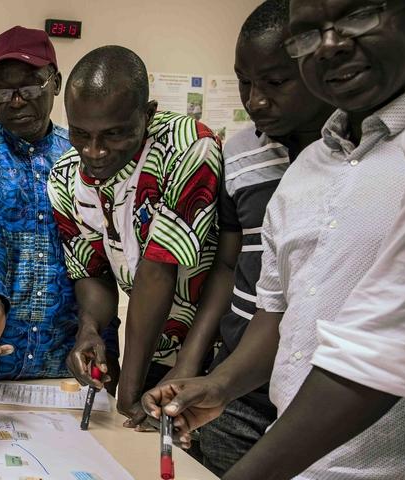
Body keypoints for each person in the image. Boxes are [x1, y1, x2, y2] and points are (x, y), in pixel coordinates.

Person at [165, 0, 405, 478]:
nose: (330, 46)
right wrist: (220, 385)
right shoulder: (305, 170)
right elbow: (288, 315)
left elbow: (383, 346)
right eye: (308, 34)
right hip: (295, 456)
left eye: (358, 15)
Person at [155, 0, 334, 473]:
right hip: (239, 384)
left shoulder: (353, 162)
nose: (255, 100)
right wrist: (192, 362)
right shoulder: (238, 154)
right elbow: (230, 266)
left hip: (328, 389)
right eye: (244, 81)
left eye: (275, 82)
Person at [48, 45, 223, 429]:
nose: (94, 151)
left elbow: (157, 271)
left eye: (114, 134)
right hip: (155, 351)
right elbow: (93, 271)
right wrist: (90, 329)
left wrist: (128, 392)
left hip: (215, 350)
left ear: (147, 114)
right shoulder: (64, 176)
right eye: (80, 133)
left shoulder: (187, 146)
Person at [0, 25, 120, 382]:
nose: (16, 100)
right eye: (3, 90)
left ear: (55, 82)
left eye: (28, 86)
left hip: (72, 356)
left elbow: (102, 254)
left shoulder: (86, 154)